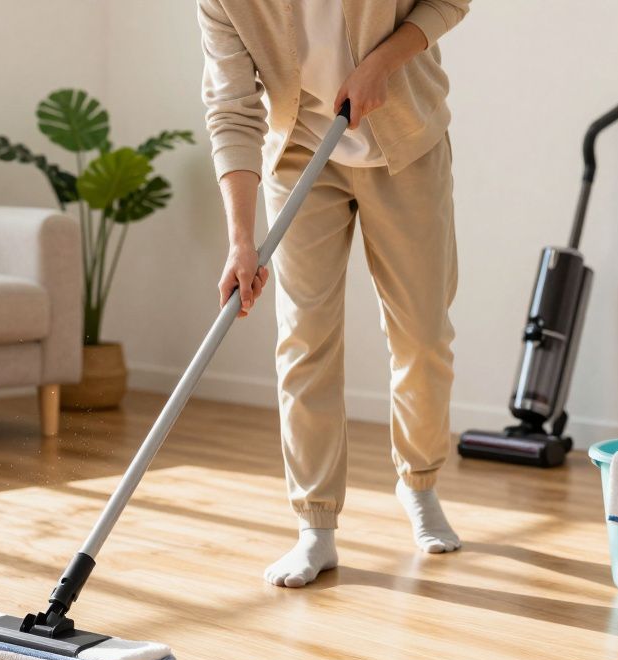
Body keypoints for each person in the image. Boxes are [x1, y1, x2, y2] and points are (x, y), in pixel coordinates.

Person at [197, 0, 471, 587]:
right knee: (305, 339)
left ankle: (419, 482)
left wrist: (384, 60)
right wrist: (241, 240)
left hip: (407, 146)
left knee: (422, 336)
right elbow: (231, 110)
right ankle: (315, 526)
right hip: (299, 159)